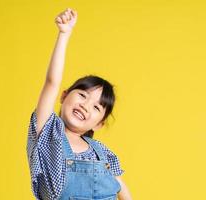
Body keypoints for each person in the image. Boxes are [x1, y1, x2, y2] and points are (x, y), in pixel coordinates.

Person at [26, 8, 132, 200]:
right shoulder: (48, 132)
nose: (86, 105)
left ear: (99, 124)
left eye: (96, 107)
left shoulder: (101, 152)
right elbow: (52, 82)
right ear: (64, 95)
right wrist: (64, 34)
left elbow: (121, 187)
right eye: (83, 95)